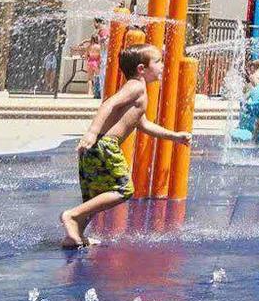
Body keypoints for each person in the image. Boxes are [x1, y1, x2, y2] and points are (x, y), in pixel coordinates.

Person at [61, 44, 189, 249]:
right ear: (142, 69)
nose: (162, 66)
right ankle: (72, 215)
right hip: (105, 144)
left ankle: (74, 234)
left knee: (94, 196)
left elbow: (144, 124)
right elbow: (107, 104)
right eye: (158, 62)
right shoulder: (135, 86)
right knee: (124, 189)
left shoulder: (137, 90)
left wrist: (175, 137)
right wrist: (92, 132)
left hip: (96, 146)